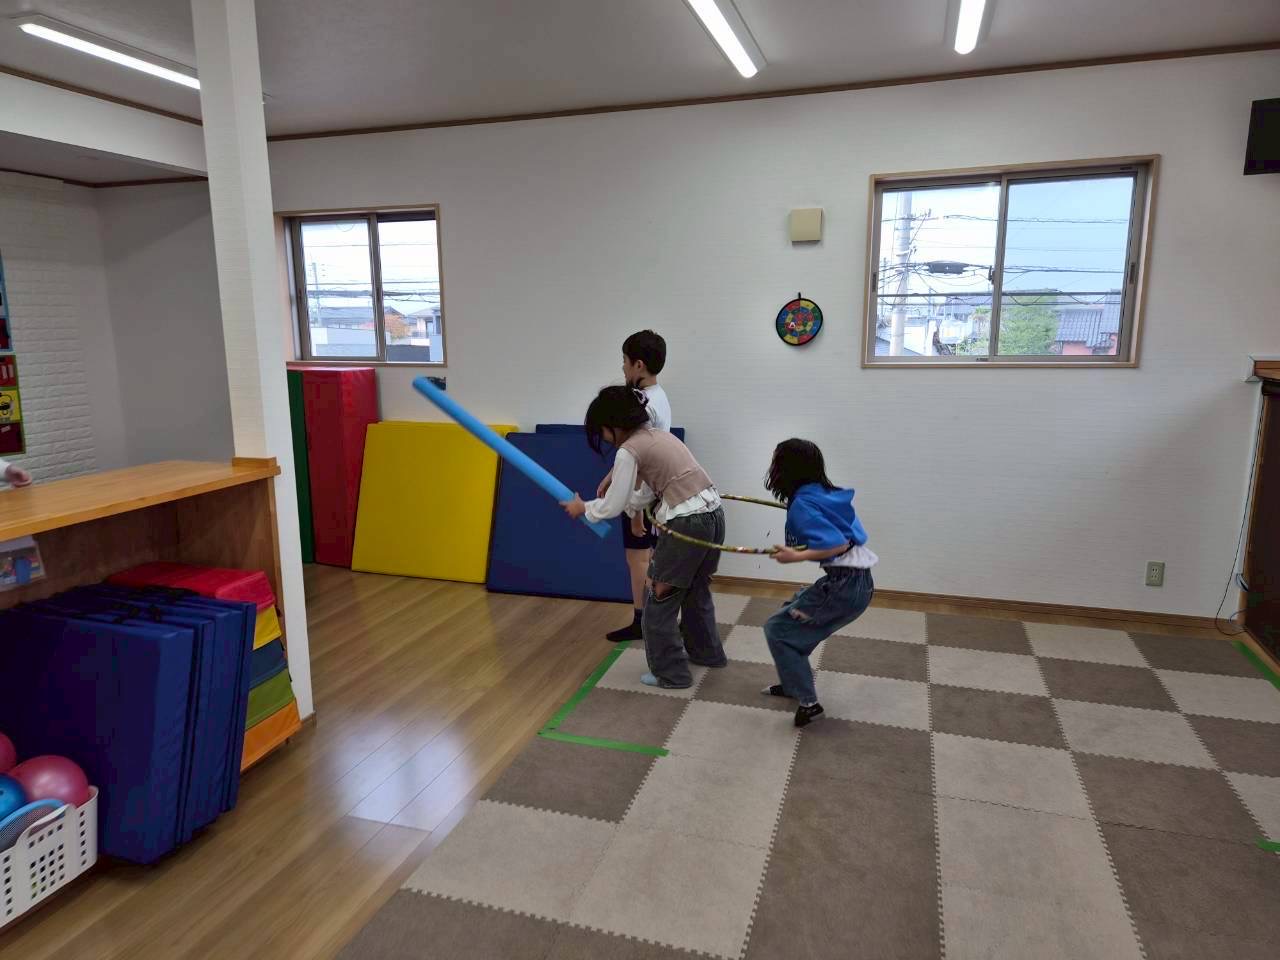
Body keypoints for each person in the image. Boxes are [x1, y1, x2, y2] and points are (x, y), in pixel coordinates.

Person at [562, 385, 725, 688]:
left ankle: (671, 674)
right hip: (714, 515)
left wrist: (583, 508)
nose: (604, 438)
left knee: (659, 597)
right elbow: (646, 491)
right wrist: (636, 513)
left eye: (603, 430)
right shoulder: (659, 437)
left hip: (687, 523)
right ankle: (707, 653)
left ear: (614, 424)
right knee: (695, 590)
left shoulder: (628, 450)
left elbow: (615, 502)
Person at [761, 439, 878, 727]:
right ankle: (793, 681)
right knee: (791, 613)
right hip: (858, 583)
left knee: (778, 630)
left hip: (843, 587)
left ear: (786, 469)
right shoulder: (827, 494)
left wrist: (795, 556)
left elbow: (837, 544)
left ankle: (808, 703)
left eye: (775, 461)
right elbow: (850, 536)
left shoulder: (803, 504)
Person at [597, 330, 672, 642]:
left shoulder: (644, 404)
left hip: (644, 491)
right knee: (644, 557)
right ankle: (650, 618)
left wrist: (635, 510)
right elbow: (632, 450)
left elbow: (639, 458)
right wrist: (611, 475)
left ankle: (643, 620)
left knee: (638, 557)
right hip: (652, 489)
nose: (623, 368)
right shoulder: (659, 396)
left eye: (625, 362)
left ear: (638, 364)